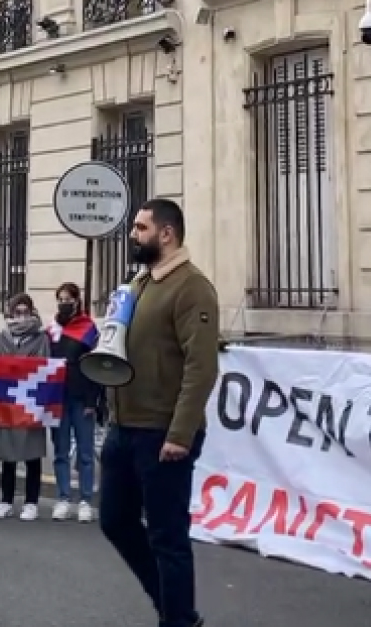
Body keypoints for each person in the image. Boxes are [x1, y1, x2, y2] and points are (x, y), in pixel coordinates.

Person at [98, 199, 219, 627]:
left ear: (166, 234)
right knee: (114, 521)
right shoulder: (139, 283)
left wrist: (180, 434)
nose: (133, 234)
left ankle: (178, 620)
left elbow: (201, 367)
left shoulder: (192, 287)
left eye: (141, 227)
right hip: (123, 427)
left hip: (162, 432)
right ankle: (173, 608)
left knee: (168, 537)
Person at [0, 292, 49, 521]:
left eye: (25, 311)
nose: (21, 316)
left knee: (32, 455)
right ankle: (6, 501)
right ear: (10, 313)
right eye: (17, 312)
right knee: (8, 455)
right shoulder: (0, 340)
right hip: (7, 403)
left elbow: (44, 368)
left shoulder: (41, 338)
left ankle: (31, 502)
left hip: (31, 402)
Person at [47, 281, 101, 522]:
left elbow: (95, 365)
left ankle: (85, 500)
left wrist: (93, 400)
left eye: (68, 299)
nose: (64, 303)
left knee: (85, 452)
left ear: (77, 301)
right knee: (60, 451)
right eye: (60, 299)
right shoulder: (51, 330)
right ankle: (63, 498)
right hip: (57, 398)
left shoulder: (88, 328)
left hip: (82, 398)